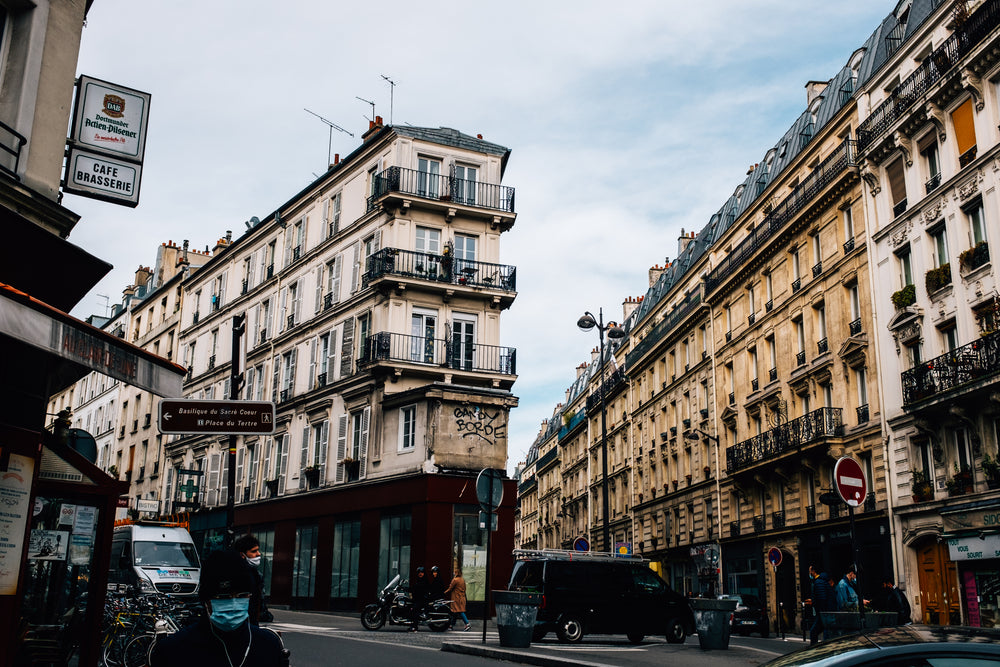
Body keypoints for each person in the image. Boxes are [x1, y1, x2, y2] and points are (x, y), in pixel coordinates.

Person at [149, 549, 289, 667]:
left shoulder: (268, 645)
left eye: (241, 595)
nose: (233, 603)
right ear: (206, 601)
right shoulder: (174, 650)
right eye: (223, 597)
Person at [234, 534, 273, 624]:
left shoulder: (256, 574)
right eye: (253, 551)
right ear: (242, 555)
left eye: (258, 550)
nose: (258, 554)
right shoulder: (238, 574)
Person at [807, 565, 832, 645]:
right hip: (825, 612)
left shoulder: (818, 582)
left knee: (814, 632)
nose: (809, 573)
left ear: (813, 571)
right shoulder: (822, 581)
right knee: (820, 632)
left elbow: (822, 598)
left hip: (823, 612)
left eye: (810, 571)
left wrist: (814, 603)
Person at [409, 566, 428, 632]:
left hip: (422, 600)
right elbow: (414, 588)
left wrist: (413, 589)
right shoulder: (418, 580)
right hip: (416, 599)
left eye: (422, 572)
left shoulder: (425, 581)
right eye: (419, 572)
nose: (420, 574)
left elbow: (419, 589)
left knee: (415, 609)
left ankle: (414, 626)